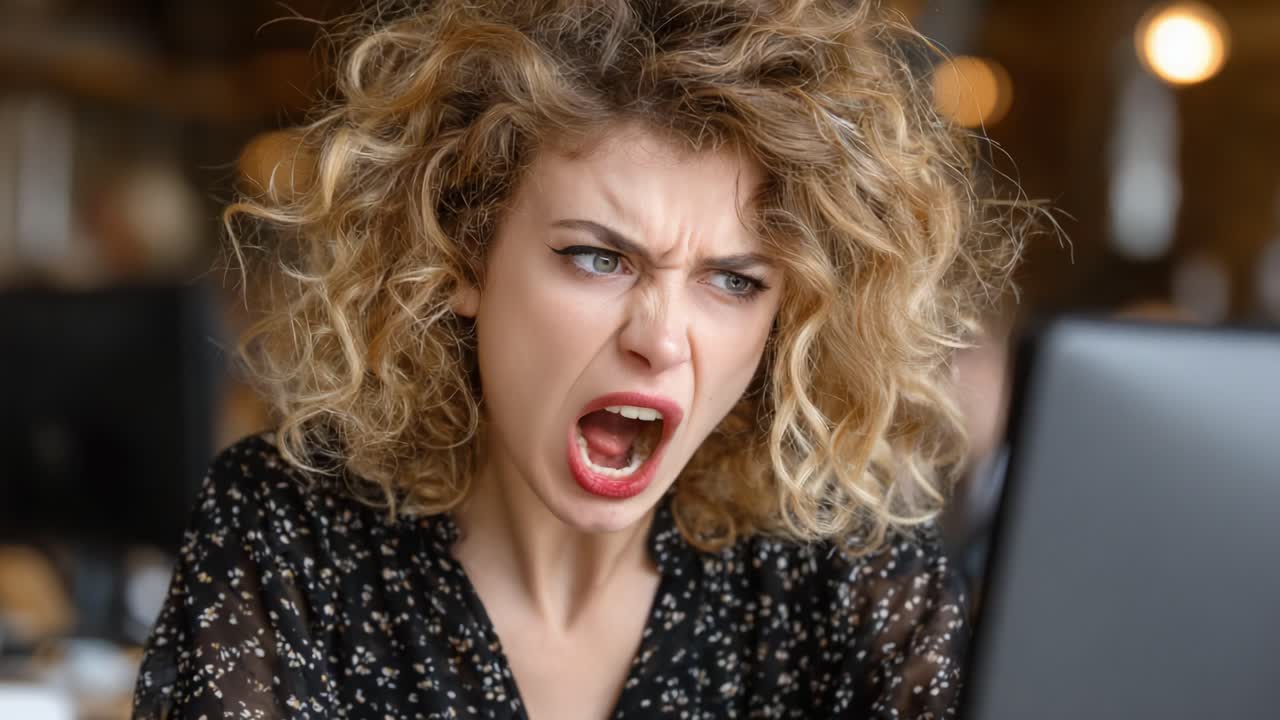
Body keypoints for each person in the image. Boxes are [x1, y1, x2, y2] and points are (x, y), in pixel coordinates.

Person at [133, 0, 1026, 717]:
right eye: (598, 257)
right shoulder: (288, 533)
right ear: (462, 257)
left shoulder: (850, 571)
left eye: (734, 281)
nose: (662, 338)